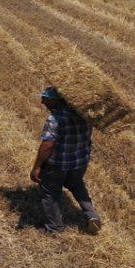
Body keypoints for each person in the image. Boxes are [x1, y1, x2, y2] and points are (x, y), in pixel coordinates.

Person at [30, 87, 101, 234]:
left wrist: (37, 167)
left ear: (56, 100)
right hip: (79, 163)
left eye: (45, 98)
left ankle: (55, 228)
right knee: (77, 186)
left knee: (50, 193)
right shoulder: (85, 115)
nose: (42, 101)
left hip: (58, 165)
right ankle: (92, 215)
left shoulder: (55, 118)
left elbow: (48, 144)